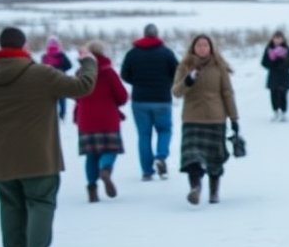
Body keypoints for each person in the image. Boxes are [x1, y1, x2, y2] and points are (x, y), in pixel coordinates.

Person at [0, 27, 96, 247]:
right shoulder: (40, 74)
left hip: (0, 158)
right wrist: (89, 62)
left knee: (9, 205)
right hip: (38, 156)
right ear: (24, 46)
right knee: (40, 202)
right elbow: (82, 87)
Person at [172, 34, 239, 205]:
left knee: (215, 160)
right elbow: (176, 92)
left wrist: (234, 118)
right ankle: (195, 188)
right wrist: (188, 81)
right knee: (192, 158)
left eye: (205, 45)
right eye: (199, 45)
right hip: (192, 119)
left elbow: (227, 93)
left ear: (211, 48)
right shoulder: (185, 66)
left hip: (215, 119)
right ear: (193, 48)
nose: (202, 48)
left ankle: (214, 192)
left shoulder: (219, 67)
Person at [120, 23, 179, 181]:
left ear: (144, 34)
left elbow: (124, 74)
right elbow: (177, 72)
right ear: (157, 34)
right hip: (162, 99)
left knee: (144, 135)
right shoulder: (166, 53)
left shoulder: (133, 53)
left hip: (140, 100)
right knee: (164, 130)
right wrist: (166, 83)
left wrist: (137, 82)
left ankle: (147, 171)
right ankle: (161, 156)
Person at [74, 41, 129, 202]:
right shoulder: (109, 72)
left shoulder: (81, 72)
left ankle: (92, 187)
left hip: (86, 119)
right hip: (108, 118)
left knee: (91, 156)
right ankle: (105, 170)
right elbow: (122, 96)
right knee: (110, 150)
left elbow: (75, 94)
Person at [261, 31, 289, 121]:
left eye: (279, 38)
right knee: (273, 94)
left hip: (284, 75)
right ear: (272, 38)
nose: (277, 40)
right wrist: (272, 62)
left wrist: (284, 62)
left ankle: (283, 112)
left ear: (283, 39)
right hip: (273, 75)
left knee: (283, 94)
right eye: (276, 38)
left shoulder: (286, 48)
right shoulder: (269, 48)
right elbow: (264, 62)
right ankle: (275, 111)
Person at [41, 36, 74, 121]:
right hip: (61, 78)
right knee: (62, 98)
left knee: (50, 98)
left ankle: (51, 114)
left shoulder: (45, 56)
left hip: (48, 80)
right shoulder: (61, 55)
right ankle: (62, 115)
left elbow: (41, 68)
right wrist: (62, 70)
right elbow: (69, 65)